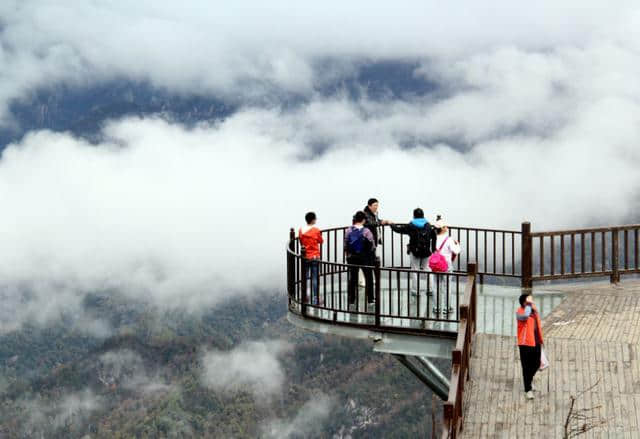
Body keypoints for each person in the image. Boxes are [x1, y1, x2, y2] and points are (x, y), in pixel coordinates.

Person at [390, 208, 436, 296]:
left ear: (414, 215)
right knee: (427, 269)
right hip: (426, 251)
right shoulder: (428, 226)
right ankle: (430, 289)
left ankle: (416, 290)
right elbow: (434, 236)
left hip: (414, 251)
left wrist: (391, 224)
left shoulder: (411, 225)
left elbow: (398, 230)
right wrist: (433, 249)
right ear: (423, 215)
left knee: (415, 270)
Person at [344, 211, 376, 310]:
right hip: (364, 258)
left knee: (353, 278)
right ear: (363, 220)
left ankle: (351, 300)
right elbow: (372, 245)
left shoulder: (349, 230)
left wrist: (348, 255)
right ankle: (370, 299)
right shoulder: (366, 231)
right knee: (369, 278)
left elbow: (346, 244)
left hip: (352, 257)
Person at [516, 293, 544, 400]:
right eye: (529, 300)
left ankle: (529, 380)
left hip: (536, 341)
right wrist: (528, 306)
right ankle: (528, 389)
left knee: (537, 363)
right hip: (525, 343)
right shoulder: (520, 312)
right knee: (526, 366)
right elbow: (524, 317)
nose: (531, 301)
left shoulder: (534, 310)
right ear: (524, 302)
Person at [432, 216, 461, 315]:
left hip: (436, 265)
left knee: (436, 285)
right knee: (447, 286)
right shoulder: (449, 239)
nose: (446, 227)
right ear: (442, 228)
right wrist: (457, 244)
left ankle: (436, 307)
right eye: (445, 226)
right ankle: (446, 307)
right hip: (446, 266)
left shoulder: (433, 238)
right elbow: (456, 251)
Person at [299, 212, 323, 305]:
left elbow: (301, 241)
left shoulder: (301, 230)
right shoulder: (316, 230)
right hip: (314, 256)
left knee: (305, 277)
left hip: (306, 256)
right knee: (315, 278)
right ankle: (315, 299)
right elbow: (321, 241)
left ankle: (304, 296)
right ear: (313, 220)